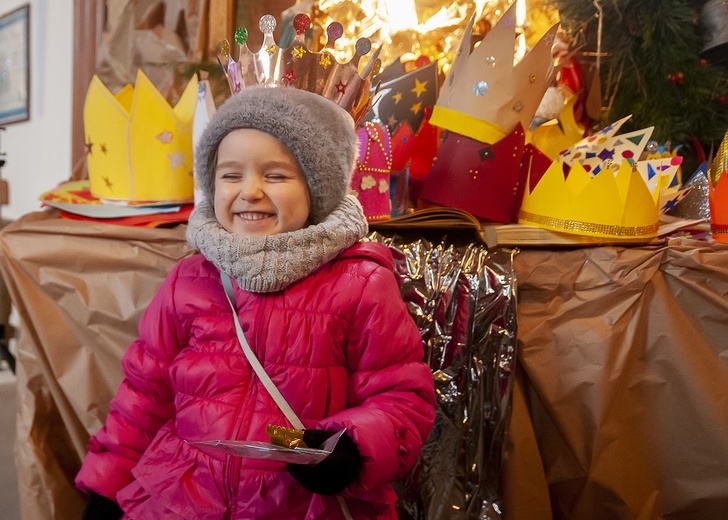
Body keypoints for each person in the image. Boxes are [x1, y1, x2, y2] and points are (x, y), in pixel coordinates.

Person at [75, 85, 437, 519]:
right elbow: (143, 395)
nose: (249, 191)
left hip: (302, 504)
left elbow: (402, 397)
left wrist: (354, 447)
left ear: (316, 188)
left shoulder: (359, 284)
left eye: (276, 175)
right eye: (231, 175)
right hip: (185, 500)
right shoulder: (189, 280)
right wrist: (107, 485)